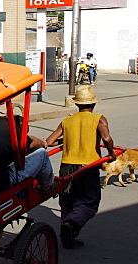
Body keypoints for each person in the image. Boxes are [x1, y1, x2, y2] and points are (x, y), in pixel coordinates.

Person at [44, 84, 115, 249]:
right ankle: (71, 223)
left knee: (67, 202)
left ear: (77, 104)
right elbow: (107, 139)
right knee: (89, 201)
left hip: (66, 166)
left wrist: (68, 139)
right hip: (87, 167)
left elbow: (49, 142)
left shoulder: (67, 121)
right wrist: (111, 154)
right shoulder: (99, 119)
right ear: (94, 104)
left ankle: (68, 237)